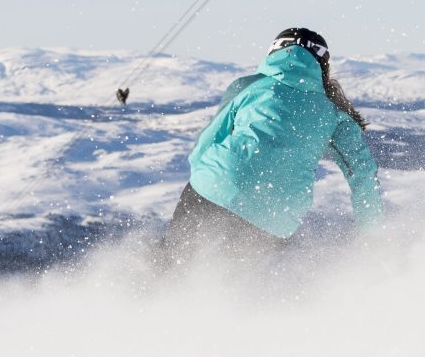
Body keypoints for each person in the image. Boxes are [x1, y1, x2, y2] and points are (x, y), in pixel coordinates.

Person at [162, 27, 382, 268]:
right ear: (322, 66)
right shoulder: (334, 113)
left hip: (216, 185)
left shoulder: (250, 85)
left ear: (273, 53)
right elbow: (362, 174)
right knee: (232, 284)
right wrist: (372, 233)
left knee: (172, 262)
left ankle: (145, 292)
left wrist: (206, 178)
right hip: (277, 213)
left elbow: (208, 141)